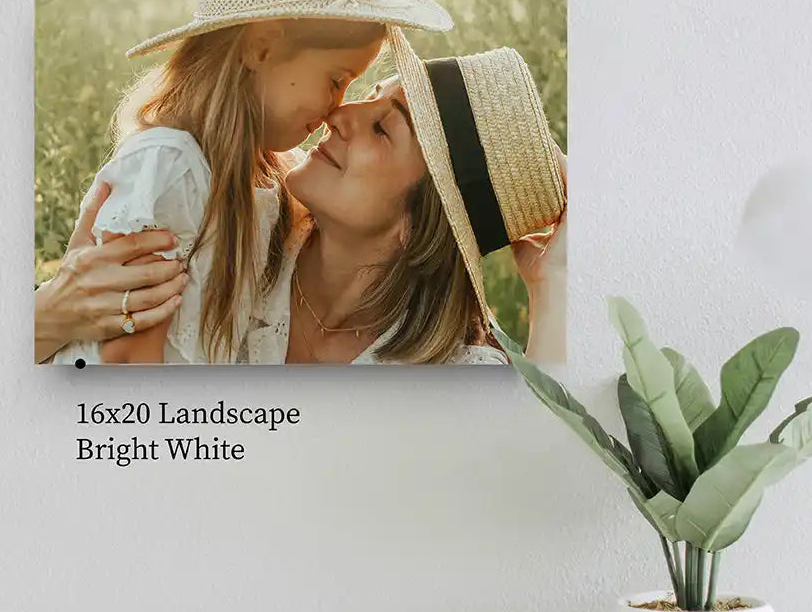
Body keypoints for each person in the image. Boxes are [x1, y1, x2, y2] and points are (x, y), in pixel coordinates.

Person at [40, 0, 452, 365]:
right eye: (335, 80)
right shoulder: (173, 170)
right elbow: (128, 361)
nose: (337, 108)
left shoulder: (267, 180)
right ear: (262, 48)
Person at [241, 29, 567, 365]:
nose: (337, 116)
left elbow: (540, 420)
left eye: (381, 128)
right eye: (369, 95)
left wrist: (551, 282)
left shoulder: (453, 379)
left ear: (417, 222)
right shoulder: (233, 231)